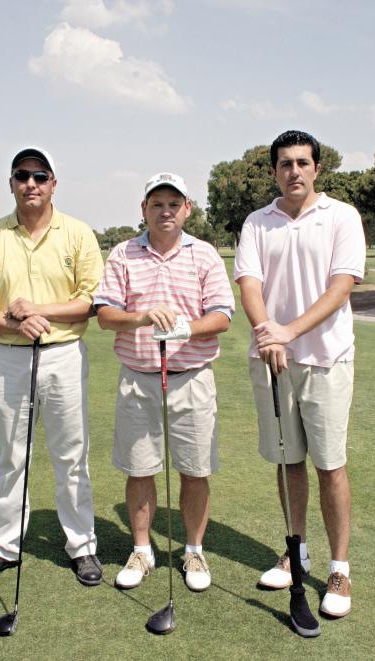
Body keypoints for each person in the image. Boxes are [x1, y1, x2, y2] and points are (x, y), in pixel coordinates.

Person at [234, 130, 366, 617]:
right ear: (274, 171)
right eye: (285, 163)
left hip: (325, 359)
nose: (294, 171)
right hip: (274, 359)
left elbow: (341, 286)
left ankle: (339, 569)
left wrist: (288, 331)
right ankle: (296, 553)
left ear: (316, 168)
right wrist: (269, 334)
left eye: (302, 162)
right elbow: (250, 283)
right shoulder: (256, 222)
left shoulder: (341, 216)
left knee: (329, 464)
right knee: (288, 462)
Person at [0, 146, 105, 587]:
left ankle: (81, 546)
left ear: (53, 184)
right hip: (7, 358)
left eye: (40, 176)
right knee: (10, 457)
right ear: (10, 183)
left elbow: (90, 302)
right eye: (22, 176)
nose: (31, 184)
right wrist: (14, 320)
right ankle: (3, 547)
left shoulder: (78, 234)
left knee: (71, 455)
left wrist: (35, 310)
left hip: (62, 355)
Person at [94, 172, 234, 592]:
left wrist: (186, 329)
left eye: (174, 203)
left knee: (194, 470)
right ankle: (142, 550)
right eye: (157, 204)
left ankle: (193, 550)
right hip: (138, 378)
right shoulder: (123, 254)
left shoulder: (205, 255)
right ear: (144, 210)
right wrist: (141, 316)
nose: (166, 211)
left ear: (187, 208)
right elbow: (104, 315)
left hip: (191, 378)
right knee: (140, 470)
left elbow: (223, 315)